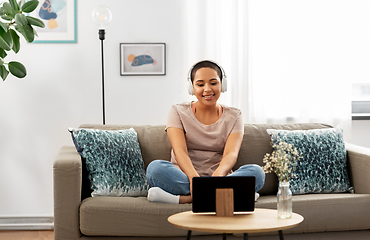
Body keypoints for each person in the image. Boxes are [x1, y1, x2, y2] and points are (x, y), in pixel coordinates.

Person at [146, 60, 265, 204]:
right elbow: (180, 151)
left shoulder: (235, 115)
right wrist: (194, 179)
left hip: (220, 178)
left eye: (213, 83)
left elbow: (231, 154)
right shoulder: (177, 111)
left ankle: (186, 199)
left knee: (257, 172)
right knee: (155, 169)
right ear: (192, 87)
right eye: (200, 84)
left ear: (222, 84)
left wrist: (217, 177)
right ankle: (231, 196)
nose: (207, 89)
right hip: (185, 176)